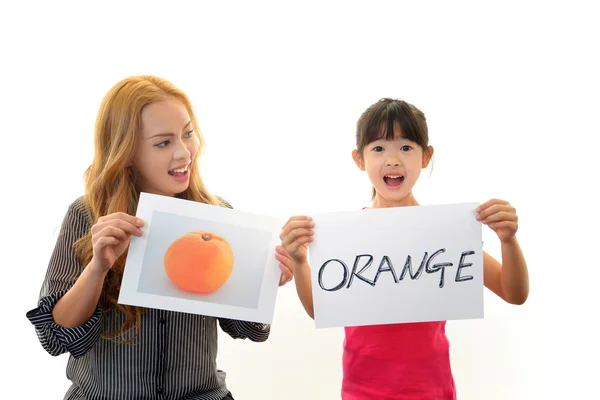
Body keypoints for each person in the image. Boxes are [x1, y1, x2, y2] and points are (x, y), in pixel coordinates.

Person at [26, 75, 294, 400]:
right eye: (163, 143)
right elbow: (58, 338)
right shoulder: (88, 215)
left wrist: (264, 282)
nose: (184, 153)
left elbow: (246, 330)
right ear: (126, 151)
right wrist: (98, 268)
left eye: (188, 134)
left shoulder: (216, 216)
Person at [277, 98, 530, 399]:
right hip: (362, 392)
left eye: (406, 147)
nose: (393, 159)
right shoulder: (347, 237)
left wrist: (508, 240)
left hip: (432, 391)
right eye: (379, 148)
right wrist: (300, 261)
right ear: (360, 159)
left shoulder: (444, 233)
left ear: (426, 156)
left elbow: (513, 293)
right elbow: (320, 310)